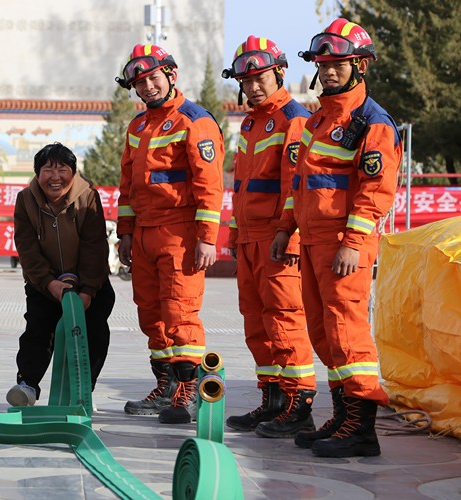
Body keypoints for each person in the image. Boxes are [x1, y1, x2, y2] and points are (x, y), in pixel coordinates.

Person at [271, 18, 401, 457]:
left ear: (360, 66)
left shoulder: (372, 122)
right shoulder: (318, 119)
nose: (328, 72)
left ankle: (362, 429)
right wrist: (286, 228)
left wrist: (351, 242)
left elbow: (375, 191)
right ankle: (344, 416)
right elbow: (301, 185)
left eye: (338, 64)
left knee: (347, 332)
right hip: (311, 241)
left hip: (345, 244)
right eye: (323, 64)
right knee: (324, 332)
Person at [115, 44, 224, 424]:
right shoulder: (138, 126)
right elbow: (127, 187)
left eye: (152, 79)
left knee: (180, 314)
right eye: (140, 83)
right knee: (152, 317)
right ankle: (165, 388)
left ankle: (188, 393)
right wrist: (125, 233)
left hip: (180, 234)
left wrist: (207, 237)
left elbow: (209, 185)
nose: (146, 88)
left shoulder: (195, 121)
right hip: (143, 235)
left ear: (171, 75)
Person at [220, 36, 317, 438]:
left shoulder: (294, 118)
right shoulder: (251, 121)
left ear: (278, 72)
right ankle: (273, 399)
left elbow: (296, 185)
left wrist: (290, 238)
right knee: (257, 321)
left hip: (278, 239)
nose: (253, 86)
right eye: (246, 80)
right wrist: (236, 232)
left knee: (285, 319)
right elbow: (244, 183)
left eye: (260, 77)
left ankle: (299, 405)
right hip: (251, 238)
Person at [6, 142, 115, 407]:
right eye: (47, 170)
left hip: (89, 282)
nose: (55, 177)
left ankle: (82, 391)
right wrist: (48, 283)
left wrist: (88, 290)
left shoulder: (88, 195)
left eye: (62, 169)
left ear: (73, 172)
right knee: (38, 330)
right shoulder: (25, 200)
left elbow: (95, 245)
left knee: (94, 333)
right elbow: (27, 248)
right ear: (37, 173)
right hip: (46, 283)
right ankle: (27, 385)